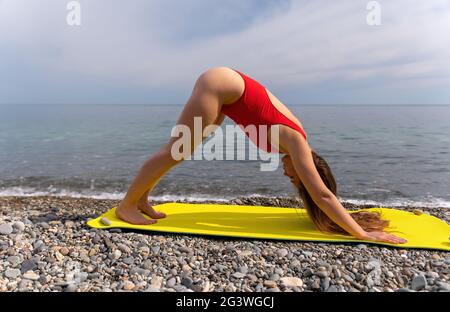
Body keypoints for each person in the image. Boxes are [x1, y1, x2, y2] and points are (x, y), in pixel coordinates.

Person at [115, 66, 407, 245]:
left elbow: (256, 110)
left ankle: (141, 199)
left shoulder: (294, 143)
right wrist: (361, 233)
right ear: (310, 166)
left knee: (181, 151)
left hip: (227, 94)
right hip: (220, 85)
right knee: (175, 151)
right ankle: (127, 206)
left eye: (292, 179)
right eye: (295, 176)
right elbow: (323, 196)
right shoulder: (297, 143)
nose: (288, 175)